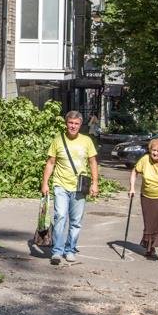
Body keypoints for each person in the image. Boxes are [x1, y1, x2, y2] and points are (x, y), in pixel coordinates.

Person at [41, 111, 99, 265]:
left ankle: (70, 249)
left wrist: (95, 183)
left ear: (80, 125)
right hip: (60, 184)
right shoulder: (58, 140)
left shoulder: (86, 141)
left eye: (76, 124)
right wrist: (45, 183)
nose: (73, 126)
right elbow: (51, 163)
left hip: (79, 187)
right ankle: (57, 251)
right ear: (66, 124)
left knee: (76, 221)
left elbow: (93, 162)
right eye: (70, 123)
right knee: (60, 216)